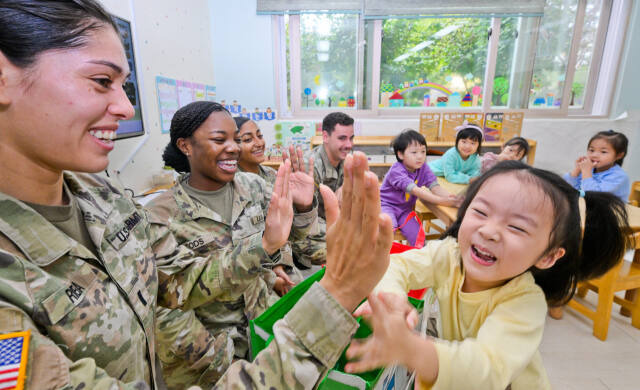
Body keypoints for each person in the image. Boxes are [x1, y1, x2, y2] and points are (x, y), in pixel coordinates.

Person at [0, 1, 393, 388]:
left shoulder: (104, 197)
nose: (124, 106)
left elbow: (174, 282)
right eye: (102, 81)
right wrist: (335, 295)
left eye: (124, 86)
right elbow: (172, 317)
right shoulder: (157, 210)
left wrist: (272, 245)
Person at [346, 161, 630, 389]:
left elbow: (487, 371)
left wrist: (412, 350)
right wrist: (392, 298)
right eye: (481, 211)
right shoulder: (450, 254)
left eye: (517, 227)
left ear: (548, 256)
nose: (489, 231)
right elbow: (397, 266)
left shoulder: (524, 303)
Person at [148, 101, 317, 387]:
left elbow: (292, 239)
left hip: (264, 329)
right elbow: (167, 306)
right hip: (208, 357)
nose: (234, 148)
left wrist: (303, 208)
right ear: (186, 146)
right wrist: (213, 360)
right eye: (219, 139)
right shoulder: (160, 216)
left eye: (235, 139)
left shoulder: (253, 186)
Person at [235, 116, 325, 280]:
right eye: (248, 139)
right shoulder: (231, 184)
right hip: (250, 271)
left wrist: (304, 206)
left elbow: (293, 233)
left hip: (282, 259)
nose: (259, 143)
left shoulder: (273, 176)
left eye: (260, 136)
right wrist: (272, 273)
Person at [380, 129, 460, 247]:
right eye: (414, 152)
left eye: (423, 151)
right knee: (387, 229)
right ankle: (381, 258)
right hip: (386, 206)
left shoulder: (423, 168)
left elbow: (435, 187)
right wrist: (443, 201)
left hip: (405, 211)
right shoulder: (396, 171)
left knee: (418, 238)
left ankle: (415, 260)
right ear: (400, 154)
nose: (420, 156)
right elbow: (416, 191)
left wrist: (450, 197)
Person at [297, 111, 355, 268]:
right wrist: (343, 231)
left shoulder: (346, 159)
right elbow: (305, 220)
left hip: (331, 225)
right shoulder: (310, 167)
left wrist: (347, 185)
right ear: (325, 137)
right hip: (306, 233)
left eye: (351, 138)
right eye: (342, 138)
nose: (349, 145)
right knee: (345, 255)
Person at [564, 130, 630, 202]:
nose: (594, 155)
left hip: (611, 211)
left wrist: (586, 172)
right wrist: (576, 171)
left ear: (619, 155)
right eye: (592, 150)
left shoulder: (619, 176)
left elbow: (593, 196)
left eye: (603, 152)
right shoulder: (590, 170)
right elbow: (568, 189)